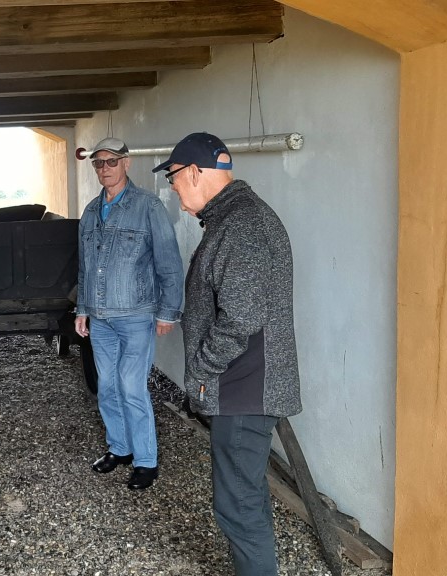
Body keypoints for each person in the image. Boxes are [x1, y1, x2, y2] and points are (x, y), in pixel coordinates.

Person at [154, 132, 301, 575]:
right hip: (243, 386)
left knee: (238, 505)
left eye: (174, 180)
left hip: (243, 388)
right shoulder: (234, 218)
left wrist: (201, 370)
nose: (174, 192)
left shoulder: (242, 225)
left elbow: (240, 318)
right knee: (244, 498)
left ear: (194, 172)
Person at [74, 137, 184, 490]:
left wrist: (168, 312)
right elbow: (84, 267)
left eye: (111, 161)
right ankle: (119, 448)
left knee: (131, 386)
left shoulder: (148, 206)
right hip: (100, 317)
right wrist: (82, 309)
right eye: (98, 163)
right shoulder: (91, 211)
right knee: (107, 386)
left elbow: (169, 262)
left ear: (126, 163)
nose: (104, 168)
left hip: (136, 315)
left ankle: (146, 460)